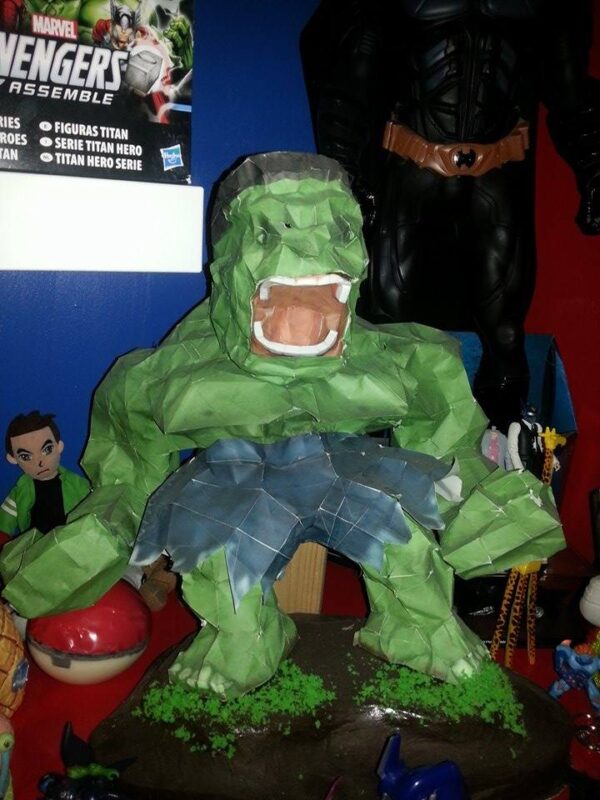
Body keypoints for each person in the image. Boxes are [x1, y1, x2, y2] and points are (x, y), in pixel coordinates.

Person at [301, 1, 600, 430]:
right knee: (386, 326)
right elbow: (352, 76)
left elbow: (569, 85)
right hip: (412, 168)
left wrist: (594, 167)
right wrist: (341, 175)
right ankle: (378, 451)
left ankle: (500, 451)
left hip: (496, 174)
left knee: (506, 337)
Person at [0, 411, 89, 536]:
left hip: (72, 541)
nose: (39, 462)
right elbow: (4, 522)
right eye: (26, 457)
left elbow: (95, 506)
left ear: (59, 446)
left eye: (47, 449)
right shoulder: (20, 491)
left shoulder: (77, 484)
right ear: (13, 459)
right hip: (36, 545)